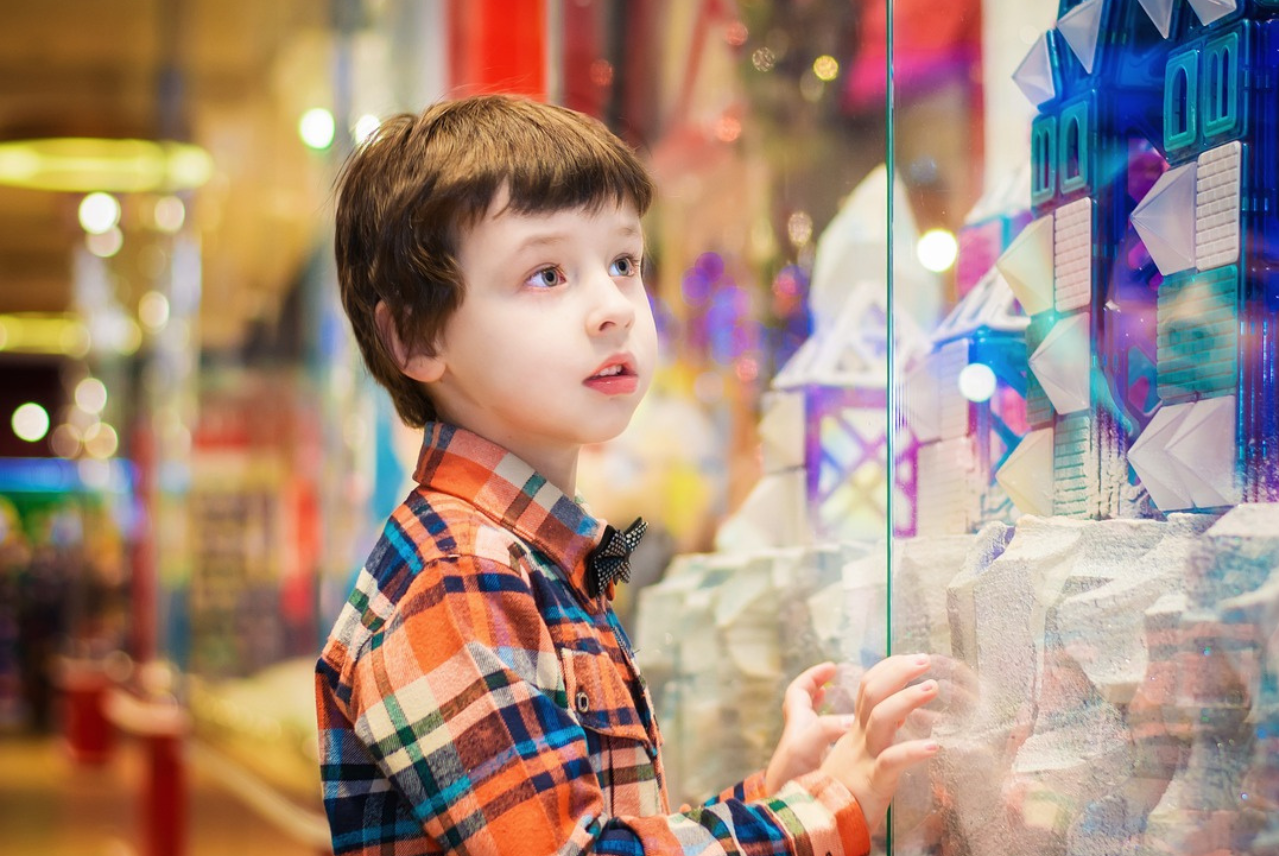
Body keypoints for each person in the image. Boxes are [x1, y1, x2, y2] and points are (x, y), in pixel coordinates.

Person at [316, 94, 940, 856]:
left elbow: (597, 820)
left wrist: (774, 792)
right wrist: (825, 805)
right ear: (414, 336)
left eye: (623, 263)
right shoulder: (457, 578)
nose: (612, 307)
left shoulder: (536, 554)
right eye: (548, 274)